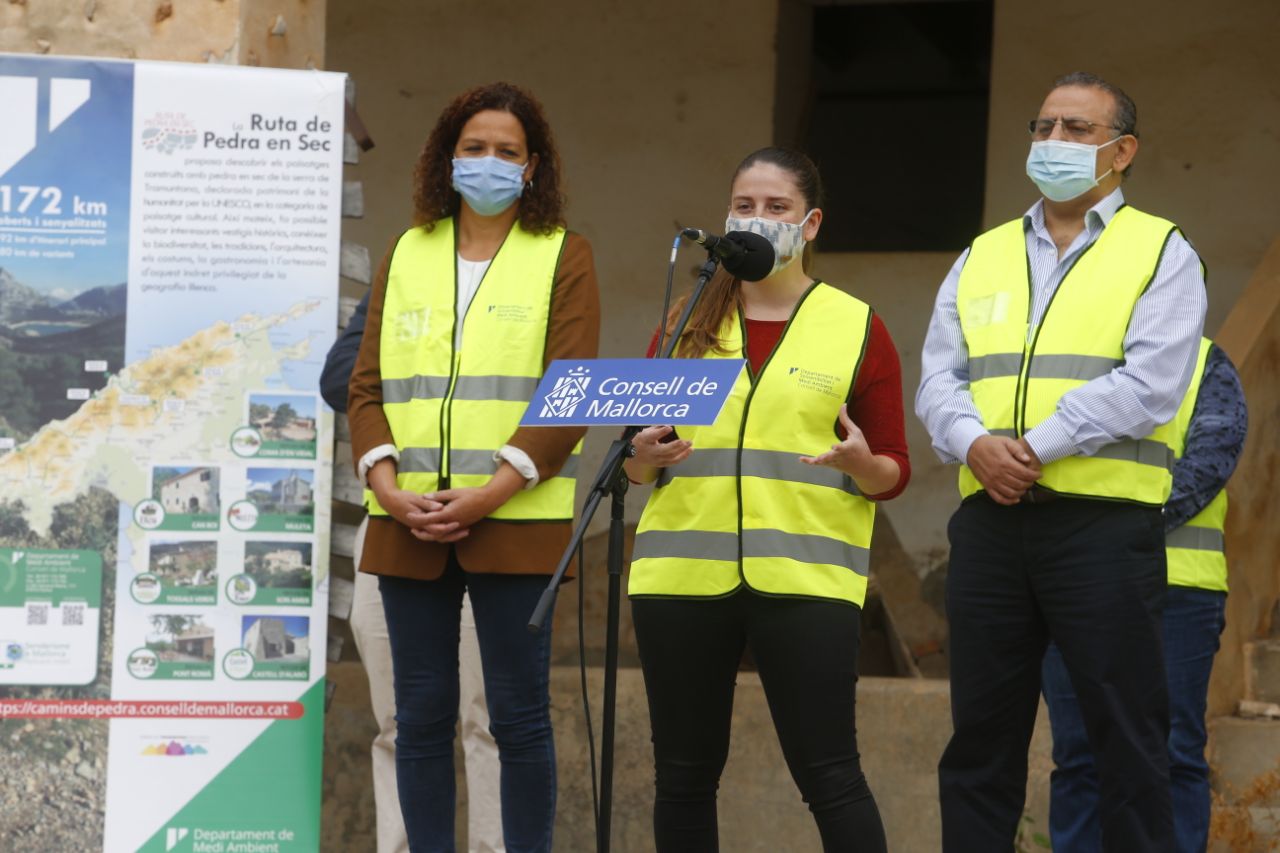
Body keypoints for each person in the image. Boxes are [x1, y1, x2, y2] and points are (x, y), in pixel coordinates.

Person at [916, 71, 1208, 851]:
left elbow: (1150, 384)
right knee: (980, 742)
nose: (1054, 143)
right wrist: (975, 443)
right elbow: (938, 376)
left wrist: (1032, 449)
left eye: (1077, 130)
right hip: (990, 525)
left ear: (1123, 151)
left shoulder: (1162, 251)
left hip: (1103, 531)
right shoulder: (982, 254)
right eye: (1044, 127)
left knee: (1127, 743)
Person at [624, 146, 910, 853]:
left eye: (776, 207)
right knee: (683, 779)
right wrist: (642, 458)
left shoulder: (856, 326)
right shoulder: (688, 320)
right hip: (680, 579)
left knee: (831, 776)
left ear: (810, 224)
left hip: (807, 581)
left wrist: (859, 461)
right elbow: (635, 466)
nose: (757, 218)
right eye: (744, 206)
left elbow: (894, 470)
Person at [346, 81, 600, 853]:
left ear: (533, 169)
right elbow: (366, 386)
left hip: (516, 521)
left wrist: (493, 491)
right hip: (408, 522)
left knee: (516, 717)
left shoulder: (564, 252)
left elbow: (570, 389)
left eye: (507, 151)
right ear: (447, 158)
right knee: (418, 717)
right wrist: (386, 487)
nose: (488, 162)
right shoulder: (406, 250)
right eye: (474, 148)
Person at [1040, 336, 1247, 853]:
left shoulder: (1203, 361)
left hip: (1175, 590)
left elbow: (1212, 458)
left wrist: (1118, 530)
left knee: (1171, 750)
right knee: (1079, 752)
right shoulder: (1060, 354)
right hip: (1070, 585)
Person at [320, 293, 506, 853]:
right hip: (396, 525)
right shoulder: (404, 275)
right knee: (400, 719)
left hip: (497, 528)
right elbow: (338, 382)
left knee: (490, 717)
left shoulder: (535, 273)